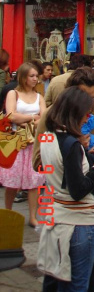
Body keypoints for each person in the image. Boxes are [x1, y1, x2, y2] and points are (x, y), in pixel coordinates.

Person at [33, 66, 94, 292]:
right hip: (57, 202)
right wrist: (71, 158)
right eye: (84, 96)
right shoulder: (52, 115)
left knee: (87, 272)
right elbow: (38, 160)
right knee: (53, 272)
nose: (89, 103)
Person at [37, 87, 94, 292]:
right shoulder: (71, 145)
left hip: (57, 218)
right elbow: (78, 190)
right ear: (75, 113)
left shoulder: (48, 137)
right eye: (86, 114)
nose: (87, 119)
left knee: (61, 280)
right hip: (78, 223)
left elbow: (59, 175)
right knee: (78, 285)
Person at [0, 62, 46, 227]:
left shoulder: (39, 96)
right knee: (12, 181)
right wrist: (33, 117)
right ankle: (8, 212)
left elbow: (45, 116)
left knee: (34, 181)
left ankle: (33, 216)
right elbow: (11, 115)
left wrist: (25, 118)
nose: (35, 79)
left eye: (36, 76)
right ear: (23, 77)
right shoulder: (14, 93)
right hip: (16, 143)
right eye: (31, 76)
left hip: (33, 142)